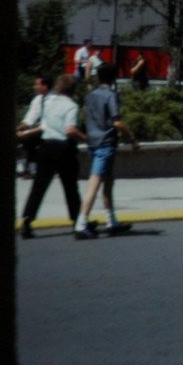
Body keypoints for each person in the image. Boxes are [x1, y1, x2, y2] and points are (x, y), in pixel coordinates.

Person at [74, 63, 136, 239]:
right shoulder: (111, 95)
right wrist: (132, 138)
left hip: (93, 141)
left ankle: (111, 221)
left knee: (108, 182)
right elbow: (117, 121)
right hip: (105, 143)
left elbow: (86, 116)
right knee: (95, 183)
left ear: (99, 77)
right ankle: (81, 223)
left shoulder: (90, 95)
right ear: (113, 78)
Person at [19, 74, 84, 239]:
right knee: (70, 187)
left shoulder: (49, 103)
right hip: (64, 148)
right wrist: (85, 138)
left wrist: (25, 132)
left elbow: (44, 125)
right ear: (72, 90)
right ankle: (78, 220)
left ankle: (27, 219)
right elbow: (70, 130)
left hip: (46, 146)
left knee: (39, 186)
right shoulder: (72, 106)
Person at [15, 75, 48, 179]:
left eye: (37, 84)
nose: (34, 87)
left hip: (48, 130)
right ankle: (20, 168)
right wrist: (19, 128)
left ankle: (32, 169)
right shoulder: (37, 100)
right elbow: (30, 118)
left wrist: (26, 132)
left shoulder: (53, 100)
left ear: (45, 86)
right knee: (17, 136)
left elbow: (45, 125)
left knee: (31, 137)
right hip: (37, 128)